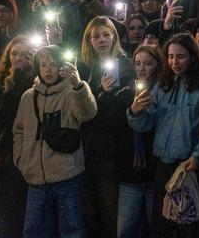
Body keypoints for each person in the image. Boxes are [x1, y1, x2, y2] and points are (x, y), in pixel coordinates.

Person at [128, 33, 199, 238]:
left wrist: (198, 155)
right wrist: (135, 112)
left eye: (180, 56)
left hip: (189, 167)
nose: (175, 61)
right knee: (162, 223)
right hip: (164, 166)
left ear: (192, 57)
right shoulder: (162, 86)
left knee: (189, 225)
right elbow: (147, 124)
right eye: (171, 56)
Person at [12, 45, 97, 237]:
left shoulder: (71, 92)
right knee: (34, 230)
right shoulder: (28, 96)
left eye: (53, 64)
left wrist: (78, 86)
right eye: (43, 65)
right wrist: (21, 159)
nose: (48, 69)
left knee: (72, 229)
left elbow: (88, 113)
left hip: (67, 177)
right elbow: (18, 130)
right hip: (35, 178)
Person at [78, 16, 135, 238]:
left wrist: (103, 95)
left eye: (106, 35)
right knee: (89, 212)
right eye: (96, 36)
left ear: (114, 38)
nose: (101, 40)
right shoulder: (84, 68)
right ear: (89, 41)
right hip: (85, 150)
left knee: (110, 212)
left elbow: (117, 113)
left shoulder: (125, 65)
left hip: (110, 151)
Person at [116, 45, 162, 238]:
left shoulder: (163, 92)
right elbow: (117, 128)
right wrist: (132, 110)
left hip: (155, 172)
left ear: (158, 65)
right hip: (130, 173)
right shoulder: (126, 93)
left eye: (148, 64)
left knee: (155, 227)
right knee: (126, 229)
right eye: (137, 63)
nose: (142, 68)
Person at [0, 35, 35, 237]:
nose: (18, 58)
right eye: (14, 53)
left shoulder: (34, 82)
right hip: (6, 152)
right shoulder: (1, 82)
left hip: (28, 151)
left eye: (23, 54)